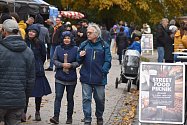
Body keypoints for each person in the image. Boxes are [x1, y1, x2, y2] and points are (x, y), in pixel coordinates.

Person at [0, 19, 35, 125]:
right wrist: (25, 98)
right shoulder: (28, 51)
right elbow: (31, 80)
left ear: (4, 31)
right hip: (18, 100)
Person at [77, 23, 112, 125]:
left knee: (100, 99)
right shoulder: (84, 44)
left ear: (96, 34)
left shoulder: (104, 45)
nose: (87, 34)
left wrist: (103, 72)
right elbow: (78, 60)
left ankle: (99, 116)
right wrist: (80, 55)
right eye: (87, 32)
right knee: (86, 99)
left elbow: (108, 61)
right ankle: (87, 119)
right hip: (86, 77)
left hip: (100, 78)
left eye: (90, 32)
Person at [23, 24, 52, 121]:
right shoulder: (24, 42)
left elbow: (44, 56)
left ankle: (37, 111)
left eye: (33, 31)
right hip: (25, 70)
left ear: (36, 33)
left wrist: (38, 63)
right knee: (25, 93)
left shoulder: (40, 43)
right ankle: (23, 112)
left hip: (37, 70)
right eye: (30, 31)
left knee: (38, 93)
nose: (31, 33)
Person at [49, 31, 79, 124]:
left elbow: (78, 62)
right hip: (60, 77)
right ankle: (56, 116)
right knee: (58, 97)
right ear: (62, 39)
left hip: (71, 78)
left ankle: (69, 117)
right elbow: (54, 60)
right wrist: (61, 64)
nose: (66, 40)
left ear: (71, 39)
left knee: (70, 98)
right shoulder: (58, 48)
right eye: (65, 38)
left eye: (68, 38)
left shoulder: (76, 49)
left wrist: (71, 65)